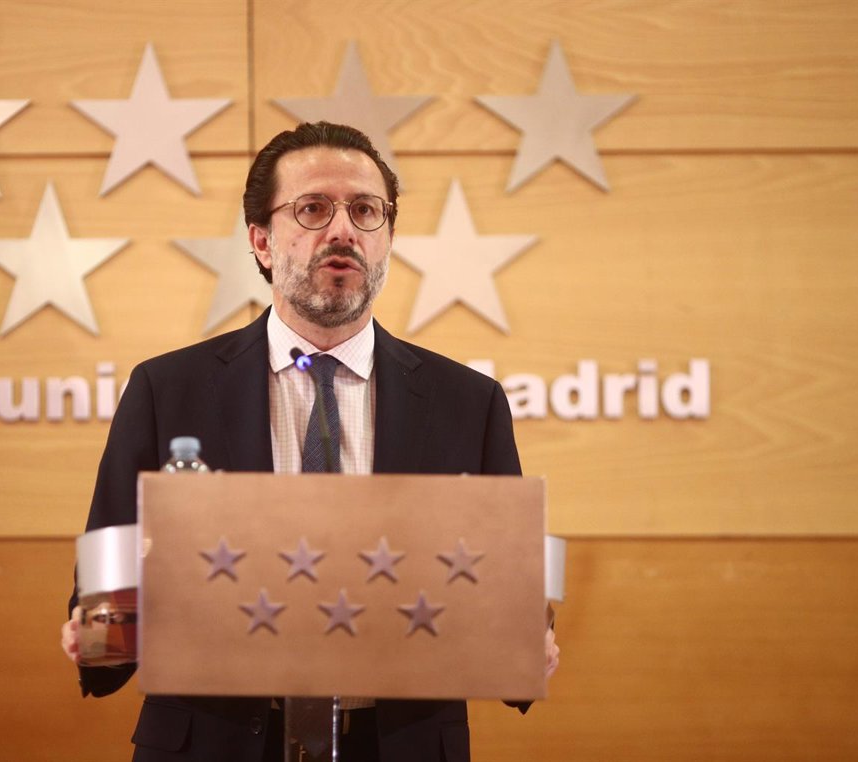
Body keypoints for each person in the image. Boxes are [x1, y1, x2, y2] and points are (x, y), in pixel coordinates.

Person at [61, 121, 560, 761]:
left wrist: (529, 637)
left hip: (397, 745)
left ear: (388, 239)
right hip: (212, 743)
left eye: (365, 211)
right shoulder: (167, 389)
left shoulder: (468, 402)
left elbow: (507, 589)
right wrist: (98, 632)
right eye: (314, 209)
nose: (343, 230)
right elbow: (108, 577)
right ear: (261, 241)